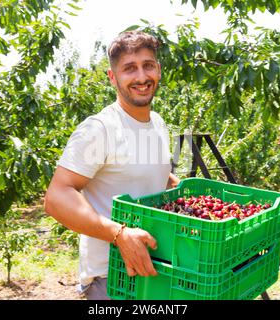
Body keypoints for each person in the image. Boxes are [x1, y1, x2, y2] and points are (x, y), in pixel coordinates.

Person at [44, 30, 180, 300]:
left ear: (159, 70)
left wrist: (184, 189)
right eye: (129, 69)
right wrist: (119, 234)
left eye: (148, 66)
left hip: (157, 269)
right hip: (112, 279)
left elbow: (153, 176)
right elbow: (57, 197)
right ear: (112, 77)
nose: (142, 77)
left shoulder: (159, 123)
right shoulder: (100, 129)